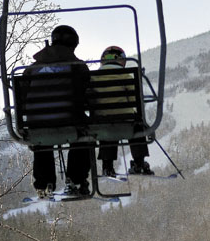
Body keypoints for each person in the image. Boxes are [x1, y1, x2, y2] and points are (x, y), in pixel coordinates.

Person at [25, 25, 91, 197]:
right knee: (84, 136)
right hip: (69, 121)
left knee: (42, 137)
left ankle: (44, 185)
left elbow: (23, 95)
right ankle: (75, 181)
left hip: (36, 124)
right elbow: (86, 94)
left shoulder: (31, 69)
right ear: (73, 44)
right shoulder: (78, 66)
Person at [91, 45, 153, 176]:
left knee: (108, 128)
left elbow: (90, 100)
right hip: (125, 120)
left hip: (102, 122)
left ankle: (107, 166)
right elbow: (133, 98)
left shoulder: (94, 77)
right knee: (137, 123)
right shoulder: (126, 75)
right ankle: (139, 162)